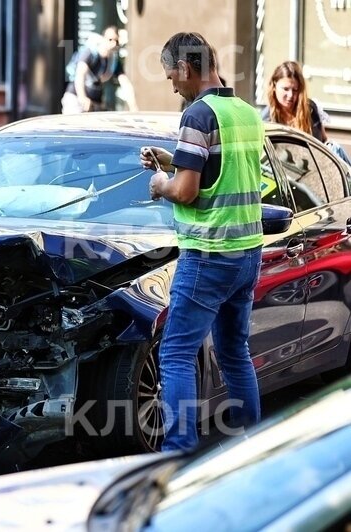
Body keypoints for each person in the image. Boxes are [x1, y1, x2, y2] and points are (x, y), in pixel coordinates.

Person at [140, 32, 264, 452]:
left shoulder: (196, 115)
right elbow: (220, 169)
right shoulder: (245, 112)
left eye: (171, 76)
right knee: (234, 352)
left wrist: (161, 183)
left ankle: (178, 453)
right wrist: (172, 159)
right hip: (247, 254)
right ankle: (252, 447)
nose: (172, 86)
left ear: (185, 67)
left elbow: (186, 191)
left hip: (208, 255)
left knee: (175, 354)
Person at [261, 60, 351, 166]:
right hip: (283, 168)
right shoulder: (266, 118)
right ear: (274, 86)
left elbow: (323, 142)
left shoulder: (310, 109)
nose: (290, 95)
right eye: (285, 89)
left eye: (295, 90)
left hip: (315, 165)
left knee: (335, 148)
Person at [61, 26, 138, 114]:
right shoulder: (90, 53)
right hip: (75, 99)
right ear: (103, 38)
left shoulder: (113, 61)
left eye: (116, 41)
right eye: (110, 39)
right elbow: (80, 74)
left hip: (95, 102)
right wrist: (82, 97)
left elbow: (125, 83)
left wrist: (133, 107)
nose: (113, 44)